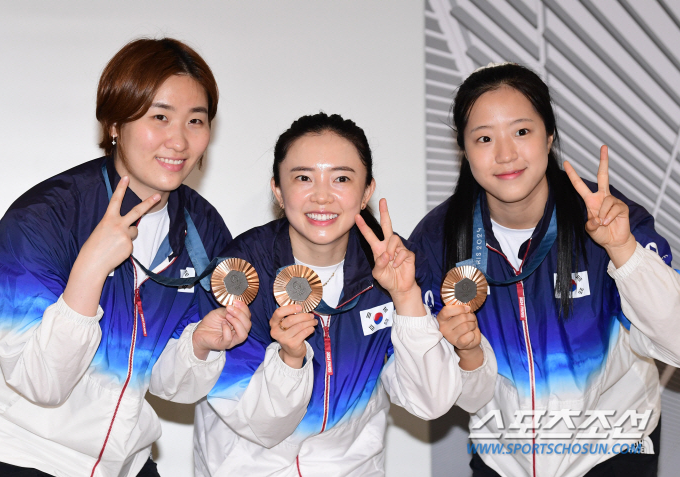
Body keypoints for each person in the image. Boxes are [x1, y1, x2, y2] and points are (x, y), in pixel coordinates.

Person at [0, 38, 251, 477]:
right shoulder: (43, 219)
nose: (179, 140)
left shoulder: (203, 230)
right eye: (159, 116)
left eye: (195, 120)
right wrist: (89, 268)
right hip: (18, 449)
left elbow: (168, 386)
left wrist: (201, 344)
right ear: (114, 123)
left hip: (123, 460)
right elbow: (41, 383)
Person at [409, 62, 680, 477]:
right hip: (502, 459)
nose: (505, 154)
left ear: (549, 136)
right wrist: (461, 351)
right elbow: (441, 396)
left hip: (612, 452)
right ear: (464, 150)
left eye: (522, 131)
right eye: (484, 138)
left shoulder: (606, 218)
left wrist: (623, 249)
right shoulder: (437, 239)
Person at [193, 112, 497, 476]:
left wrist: (405, 297)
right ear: (277, 188)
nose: (322, 196)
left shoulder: (392, 266)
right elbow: (261, 427)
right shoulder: (241, 273)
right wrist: (290, 361)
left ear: (367, 190)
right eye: (303, 177)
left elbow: (430, 403)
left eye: (341, 178)